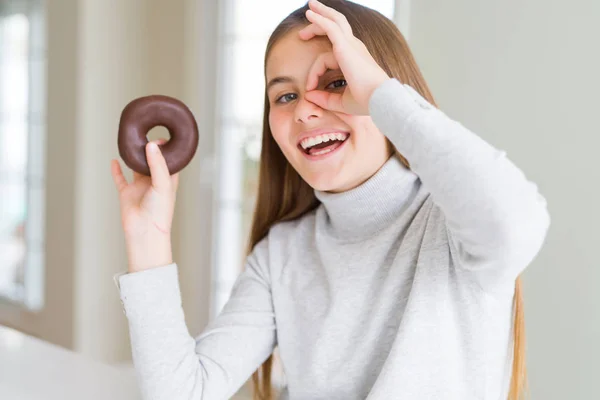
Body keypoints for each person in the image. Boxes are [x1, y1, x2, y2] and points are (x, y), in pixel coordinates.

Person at [110, 1, 550, 399]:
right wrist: (149, 239)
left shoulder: (453, 230)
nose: (304, 110)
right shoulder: (281, 255)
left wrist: (379, 95)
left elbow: (516, 222)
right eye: (284, 96)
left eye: (337, 83)